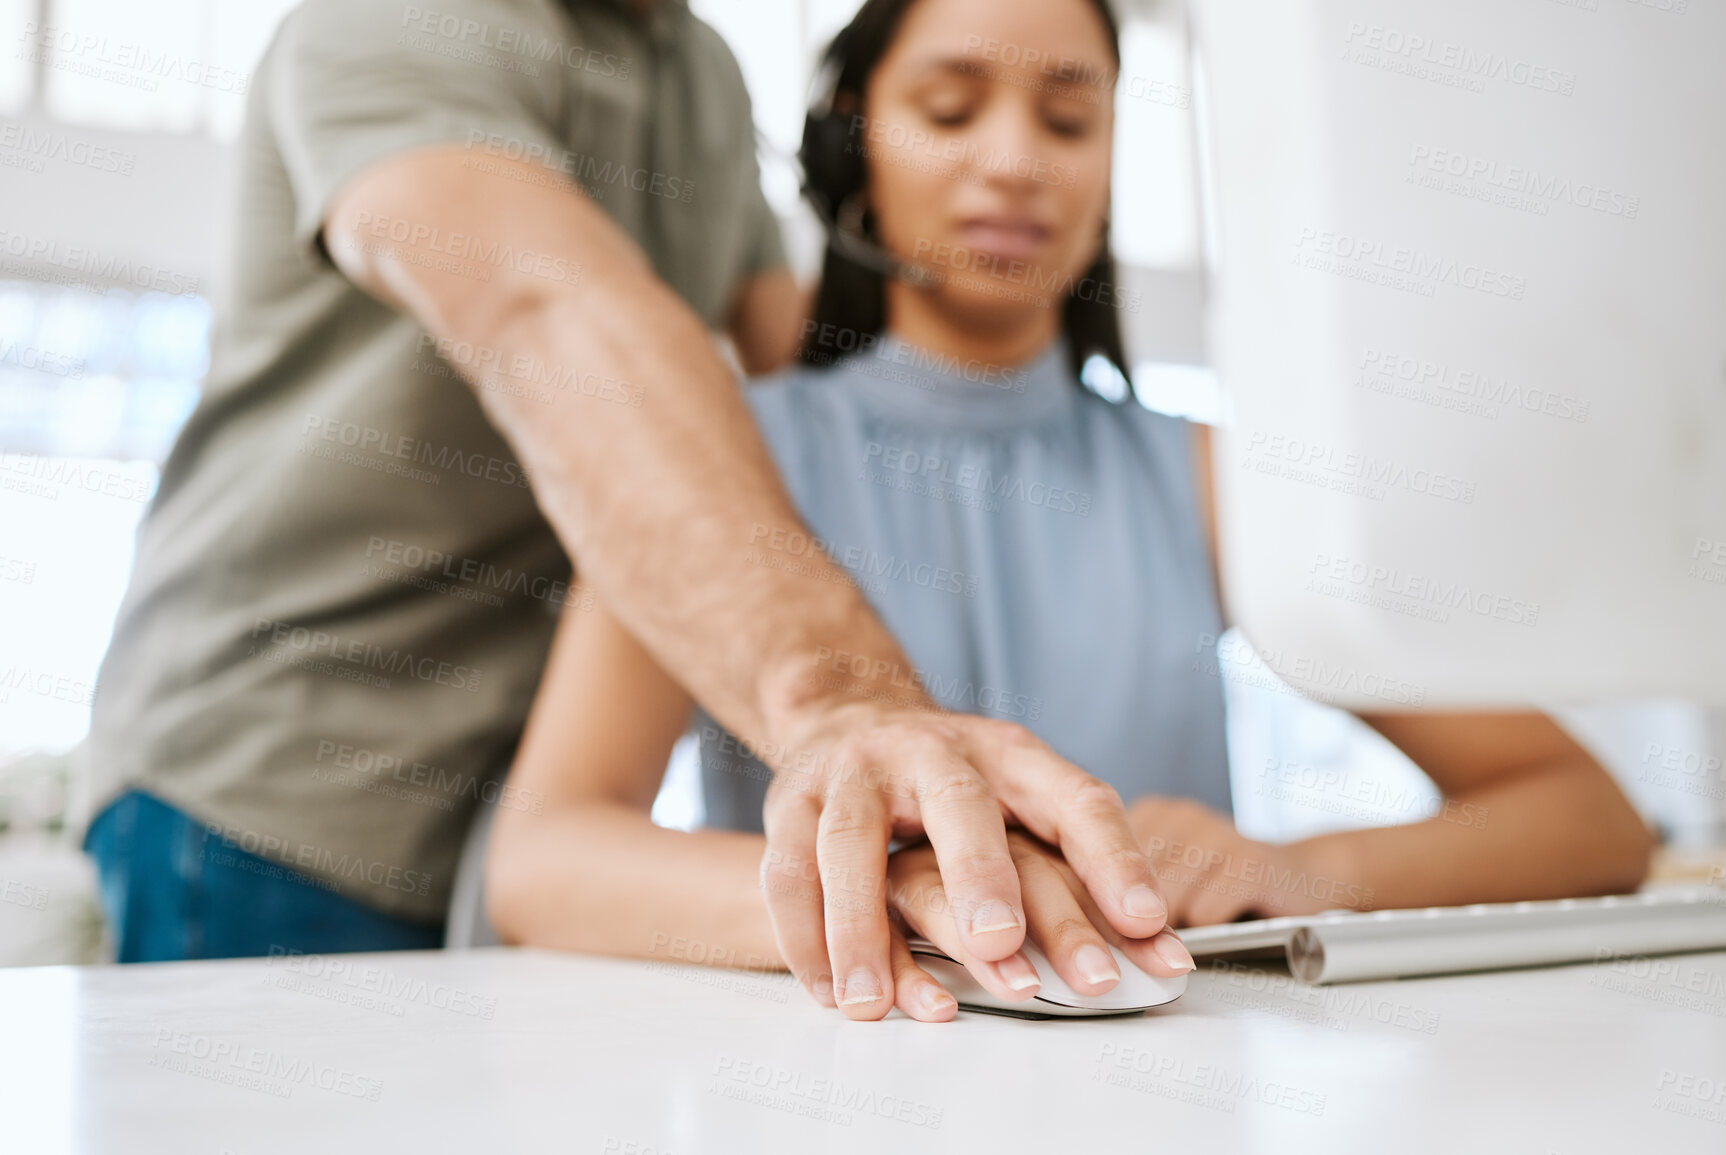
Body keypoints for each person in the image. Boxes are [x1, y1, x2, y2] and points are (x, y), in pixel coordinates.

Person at [483, 0, 1653, 1021]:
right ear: (854, 146)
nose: (1014, 163)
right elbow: (543, 857)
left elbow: (1585, 814)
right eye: (949, 110)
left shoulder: (1207, 477)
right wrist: (873, 890)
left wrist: (1297, 872)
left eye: (1068, 119)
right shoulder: (723, 465)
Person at [81, 0, 1175, 1005]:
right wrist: (845, 708)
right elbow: (549, 312)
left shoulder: (696, 73)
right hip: (278, 787)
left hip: (496, 792)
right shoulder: (405, 19)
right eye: (945, 109)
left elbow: (794, 379)